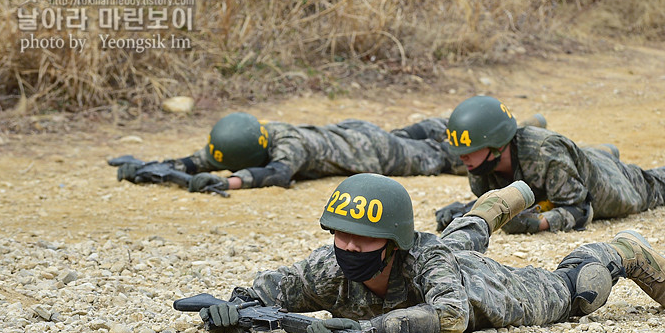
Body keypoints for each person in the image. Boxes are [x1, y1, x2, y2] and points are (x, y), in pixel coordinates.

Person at [198, 173, 665, 333]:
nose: (346, 248)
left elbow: (451, 317)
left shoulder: (423, 256)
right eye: (339, 236)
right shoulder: (334, 262)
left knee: (576, 292)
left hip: (479, 288)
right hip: (438, 255)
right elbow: (279, 286)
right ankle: (498, 204)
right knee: (460, 238)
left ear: (393, 243)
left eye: (362, 240)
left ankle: (621, 251)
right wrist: (236, 308)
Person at [434, 95, 665, 234]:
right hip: (566, 174)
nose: (462, 158)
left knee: (648, 189)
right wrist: (467, 210)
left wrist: (540, 224)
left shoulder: (545, 153)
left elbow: (581, 210)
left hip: (602, 187)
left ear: (497, 145)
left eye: (470, 151)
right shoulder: (480, 167)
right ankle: (595, 154)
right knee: (577, 164)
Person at [114, 112, 467, 192]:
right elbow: (200, 160)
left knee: (440, 157)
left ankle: (481, 132)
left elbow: (279, 174)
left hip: (373, 150)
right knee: (417, 138)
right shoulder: (250, 138)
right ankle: (438, 123)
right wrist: (147, 167)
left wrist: (229, 184)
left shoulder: (289, 146)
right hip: (352, 131)